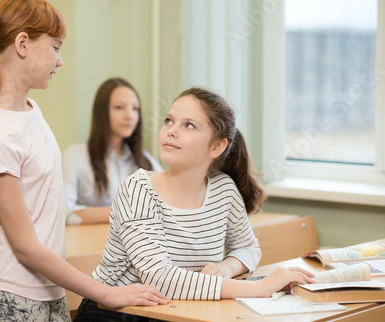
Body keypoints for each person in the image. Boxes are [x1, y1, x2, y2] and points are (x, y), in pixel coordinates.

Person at [0, 0, 169, 322]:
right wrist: (105, 293)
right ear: (23, 44)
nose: (60, 60)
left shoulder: (30, 110)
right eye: (55, 47)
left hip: (46, 286)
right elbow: (24, 245)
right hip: (12, 292)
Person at [73, 87, 315, 321]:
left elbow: (249, 248)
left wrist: (226, 268)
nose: (172, 131)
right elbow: (160, 280)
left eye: (189, 125)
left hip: (179, 310)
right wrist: (260, 288)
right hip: (115, 314)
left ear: (216, 146)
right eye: (169, 121)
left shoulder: (223, 189)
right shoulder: (137, 188)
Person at [63, 77, 162, 225]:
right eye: (119, 107)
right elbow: (65, 212)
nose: (130, 116)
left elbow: (168, 201)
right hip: (91, 245)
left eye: (135, 108)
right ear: (102, 112)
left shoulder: (143, 159)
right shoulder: (75, 155)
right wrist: (123, 212)